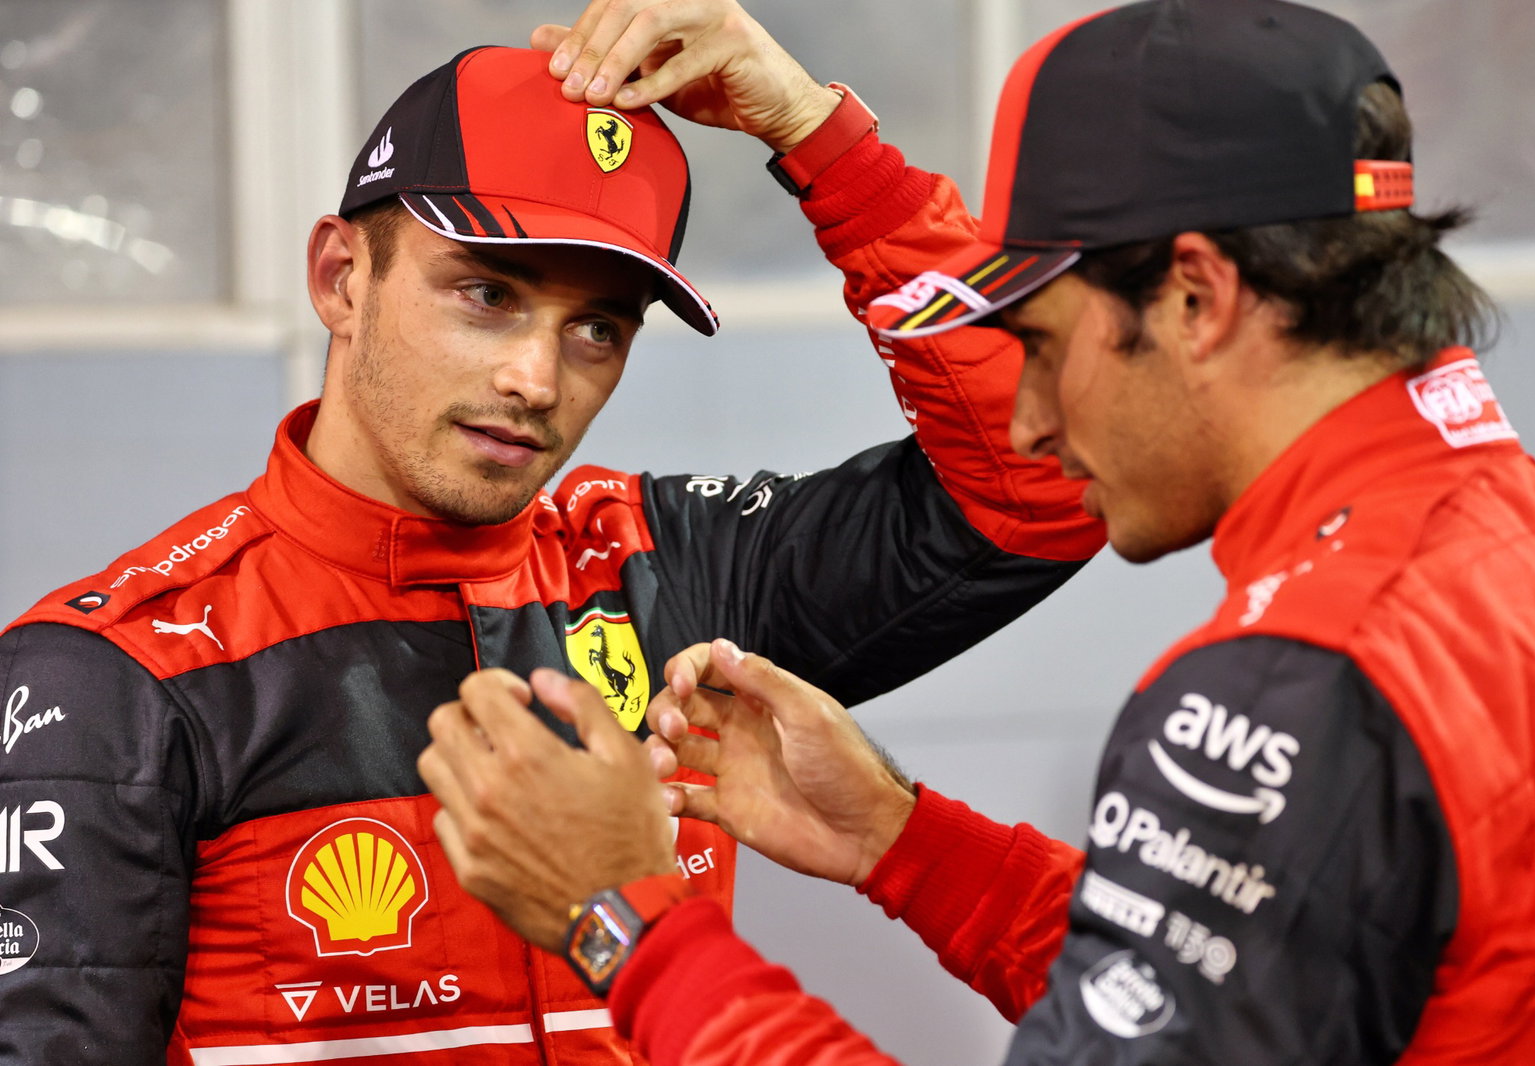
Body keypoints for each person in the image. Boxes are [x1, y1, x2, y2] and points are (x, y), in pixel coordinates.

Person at [418, 0, 1535, 1063]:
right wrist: (903, 840)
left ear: (1197, 297)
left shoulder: (1296, 683)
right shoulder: (1534, 532)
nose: (1028, 421)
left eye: (1038, 344)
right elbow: (1240, 992)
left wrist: (625, 915)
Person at [0, 7, 1104, 1063]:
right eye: (485, 291)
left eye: (596, 328)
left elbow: (1048, 477)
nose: (536, 379)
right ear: (341, 277)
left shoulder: (674, 566)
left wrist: (816, 135)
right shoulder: (119, 674)